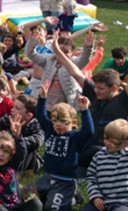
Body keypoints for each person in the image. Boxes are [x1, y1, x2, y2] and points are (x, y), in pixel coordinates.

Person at [50, 34, 128, 168]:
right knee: (65, 142)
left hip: (110, 147)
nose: (96, 91)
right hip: (90, 140)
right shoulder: (94, 93)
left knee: (92, 154)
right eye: (95, 86)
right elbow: (75, 72)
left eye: (101, 88)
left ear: (114, 88)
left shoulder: (122, 100)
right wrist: (57, 51)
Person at [35, 83, 94, 211]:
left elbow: (89, 132)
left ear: (73, 123)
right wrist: (42, 98)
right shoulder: (50, 130)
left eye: (63, 121)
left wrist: (84, 110)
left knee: (53, 209)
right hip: (48, 177)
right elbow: (40, 116)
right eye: (55, 120)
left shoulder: (75, 137)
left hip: (65, 181)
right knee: (26, 197)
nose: (58, 125)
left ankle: (74, 197)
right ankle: (50, 194)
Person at [78, 119, 128, 211]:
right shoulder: (99, 155)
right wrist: (96, 196)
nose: (107, 143)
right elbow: (91, 177)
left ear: (125, 144)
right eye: (105, 138)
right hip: (103, 200)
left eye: (113, 142)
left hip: (122, 202)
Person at [0, 94, 45, 173]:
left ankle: (25, 179)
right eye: (13, 106)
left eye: (17, 108)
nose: (12, 110)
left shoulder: (36, 124)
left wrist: (14, 142)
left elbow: (38, 140)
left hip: (26, 162)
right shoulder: (9, 118)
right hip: (8, 153)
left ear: (28, 116)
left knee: (26, 149)